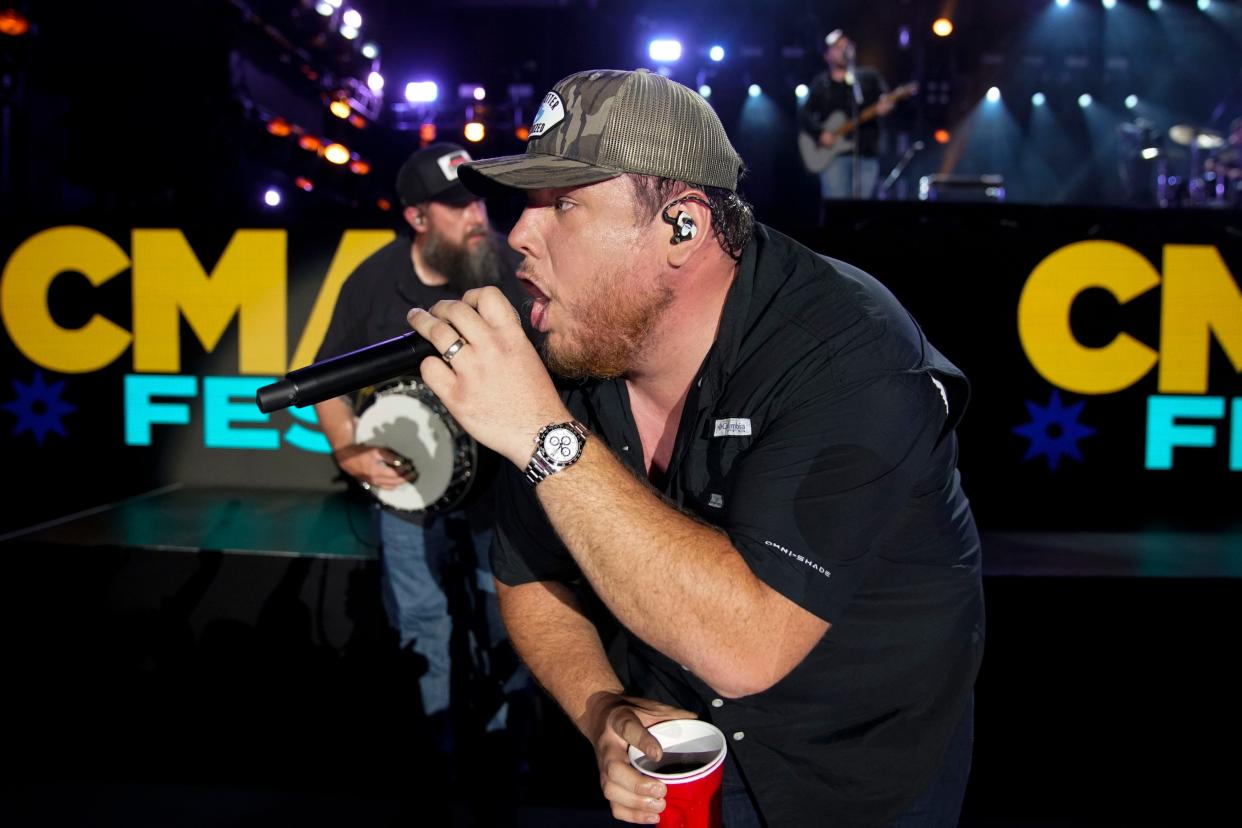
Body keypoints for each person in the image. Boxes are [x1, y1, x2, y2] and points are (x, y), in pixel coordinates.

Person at [405, 69, 984, 827]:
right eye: (525, 201)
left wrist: (543, 436)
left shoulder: (847, 352)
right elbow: (527, 577)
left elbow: (746, 645)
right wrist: (600, 708)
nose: (519, 231)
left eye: (564, 203)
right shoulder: (575, 350)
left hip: (850, 783)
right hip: (675, 774)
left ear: (682, 226)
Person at [312, 142, 530, 769]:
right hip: (409, 492)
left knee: (511, 625)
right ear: (417, 219)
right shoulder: (375, 281)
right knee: (421, 624)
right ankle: (433, 760)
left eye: (478, 197)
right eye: (456, 203)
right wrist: (350, 449)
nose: (476, 213)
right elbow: (324, 381)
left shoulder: (511, 267)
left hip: (503, 493)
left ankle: (507, 760)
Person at [798, 29, 894, 201]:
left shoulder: (868, 78)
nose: (844, 50)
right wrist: (820, 133)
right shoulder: (822, 83)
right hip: (834, 157)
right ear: (827, 55)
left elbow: (885, 98)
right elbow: (804, 115)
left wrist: (886, 105)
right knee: (837, 211)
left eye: (846, 45)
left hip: (866, 155)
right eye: (837, 47)